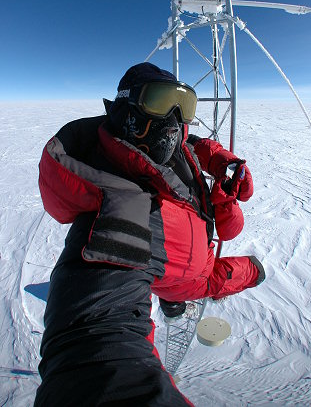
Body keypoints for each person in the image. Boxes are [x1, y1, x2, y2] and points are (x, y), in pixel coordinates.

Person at [34, 62, 265, 406]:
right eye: (160, 100)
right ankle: (199, 291)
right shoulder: (120, 210)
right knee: (236, 274)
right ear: (126, 108)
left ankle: (173, 304)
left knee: (190, 285)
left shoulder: (167, 148)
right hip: (187, 276)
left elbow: (194, 144)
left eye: (183, 104)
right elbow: (94, 342)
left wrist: (223, 163)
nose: (174, 118)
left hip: (188, 251)